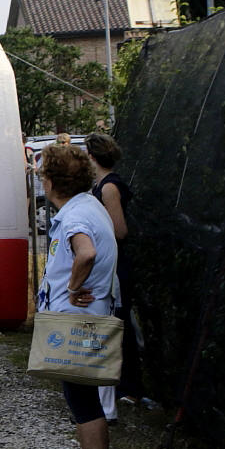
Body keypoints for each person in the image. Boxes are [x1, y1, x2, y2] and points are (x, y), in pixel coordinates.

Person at [36, 143, 121, 449]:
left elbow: (85, 252)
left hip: (79, 323)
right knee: (82, 399)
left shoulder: (74, 217)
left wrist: (72, 287)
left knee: (83, 401)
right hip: (86, 319)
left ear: (50, 182)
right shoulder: (88, 205)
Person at [86, 133, 142, 412]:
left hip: (116, 265)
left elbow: (119, 230)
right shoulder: (99, 185)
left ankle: (130, 387)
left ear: (92, 157)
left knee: (120, 322)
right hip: (107, 264)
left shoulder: (109, 188)